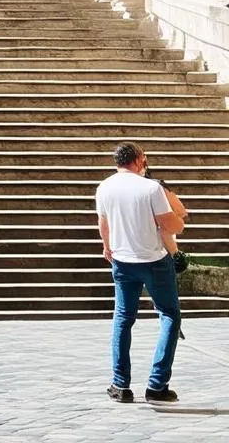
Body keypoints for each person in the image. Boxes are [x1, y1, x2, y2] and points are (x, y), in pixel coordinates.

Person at [96, 142, 185, 404]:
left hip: (123, 260)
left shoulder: (105, 187)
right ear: (138, 160)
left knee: (123, 319)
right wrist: (181, 217)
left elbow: (103, 223)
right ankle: (157, 384)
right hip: (154, 260)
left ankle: (120, 384)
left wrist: (107, 247)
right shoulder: (150, 188)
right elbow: (172, 226)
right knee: (169, 315)